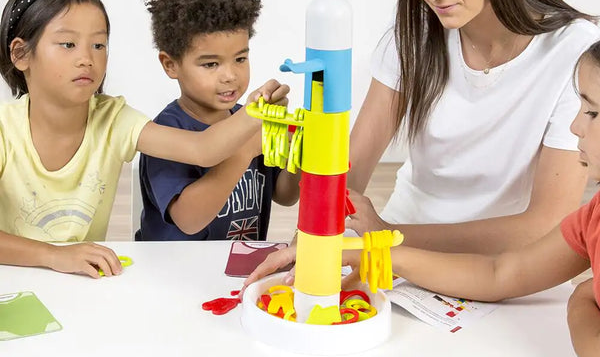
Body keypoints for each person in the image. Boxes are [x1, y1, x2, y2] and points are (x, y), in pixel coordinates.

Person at [242, 41, 600, 357]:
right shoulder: (591, 219)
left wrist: (582, 304)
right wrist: (360, 254)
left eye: (592, 112)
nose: (574, 127)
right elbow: (499, 273)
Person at [346, 0, 599, 254]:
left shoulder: (576, 52)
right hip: (397, 244)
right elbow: (351, 171)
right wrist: (313, 240)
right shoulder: (413, 36)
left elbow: (547, 223)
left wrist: (388, 235)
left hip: (506, 263)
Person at [0, 0, 288, 278]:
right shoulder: (5, 131)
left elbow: (203, 149)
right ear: (20, 54)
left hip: (82, 280)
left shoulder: (114, 119)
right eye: (68, 44)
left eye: (99, 45)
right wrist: (54, 255)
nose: (86, 58)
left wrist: (260, 114)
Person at [135, 0, 300, 241]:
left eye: (240, 59)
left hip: (237, 267)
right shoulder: (166, 133)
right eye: (211, 64)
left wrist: (299, 151)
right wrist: (246, 149)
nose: (230, 75)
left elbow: (284, 195)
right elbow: (188, 220)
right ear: (170, 64)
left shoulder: (249, 119)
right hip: (173, 271)